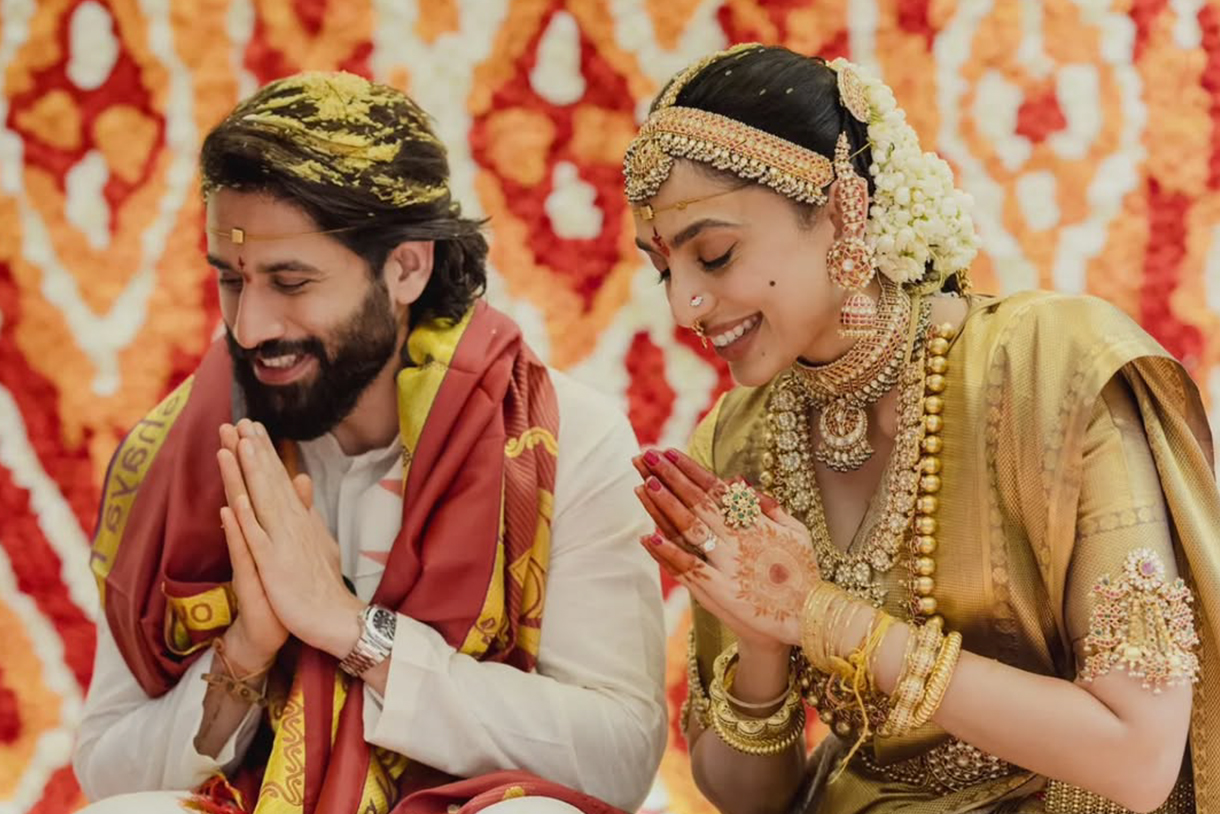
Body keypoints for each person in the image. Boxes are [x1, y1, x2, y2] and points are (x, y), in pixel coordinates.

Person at [625, 43, 1219, 814]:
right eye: (664, 270)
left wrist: (820, 614)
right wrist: (765, 641)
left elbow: (1138, 757)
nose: (685, 308)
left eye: (715, 254)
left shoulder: (1051, 372)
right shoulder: (739, 444)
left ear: (842, 207)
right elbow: (751, 800)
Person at [73, 71, 667, 814]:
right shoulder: (180, 451)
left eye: (290, 282)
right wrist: (244, 656)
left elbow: (620, 755)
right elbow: (103, 767)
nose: (249, 328)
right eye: (231, 280)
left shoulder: (559, 442)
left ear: (407, 266)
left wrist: (354, 632)